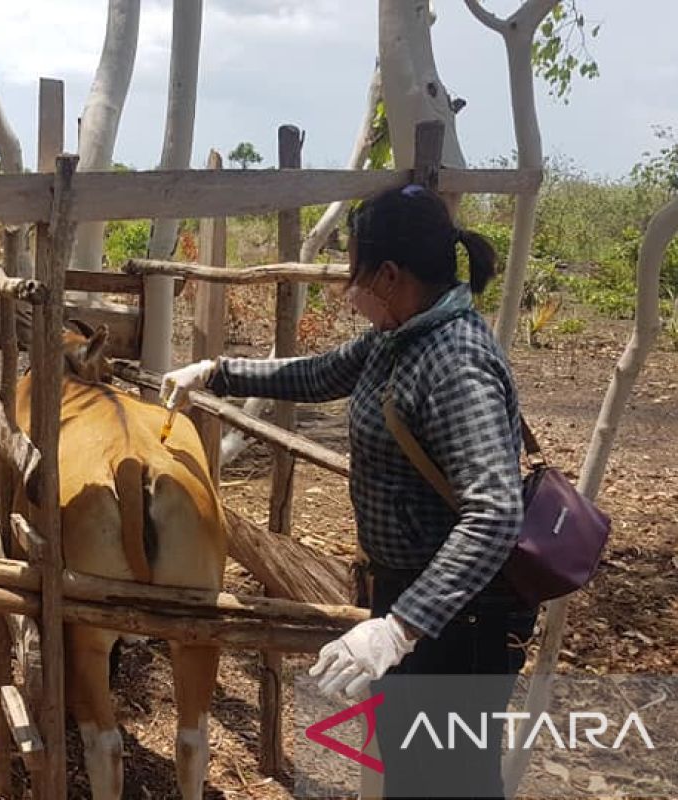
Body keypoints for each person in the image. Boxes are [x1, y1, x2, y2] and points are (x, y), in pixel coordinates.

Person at [160, 184, 538, 799]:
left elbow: (494, 513)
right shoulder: (401, 336)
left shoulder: (455, 361)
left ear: (389, 276)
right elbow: (319, 373)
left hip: (459, 619)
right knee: (416, 775)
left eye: (353, 273)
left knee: (452, 783)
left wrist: (400, 628)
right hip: (413, 598)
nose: (347, 290)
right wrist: (218, 372)